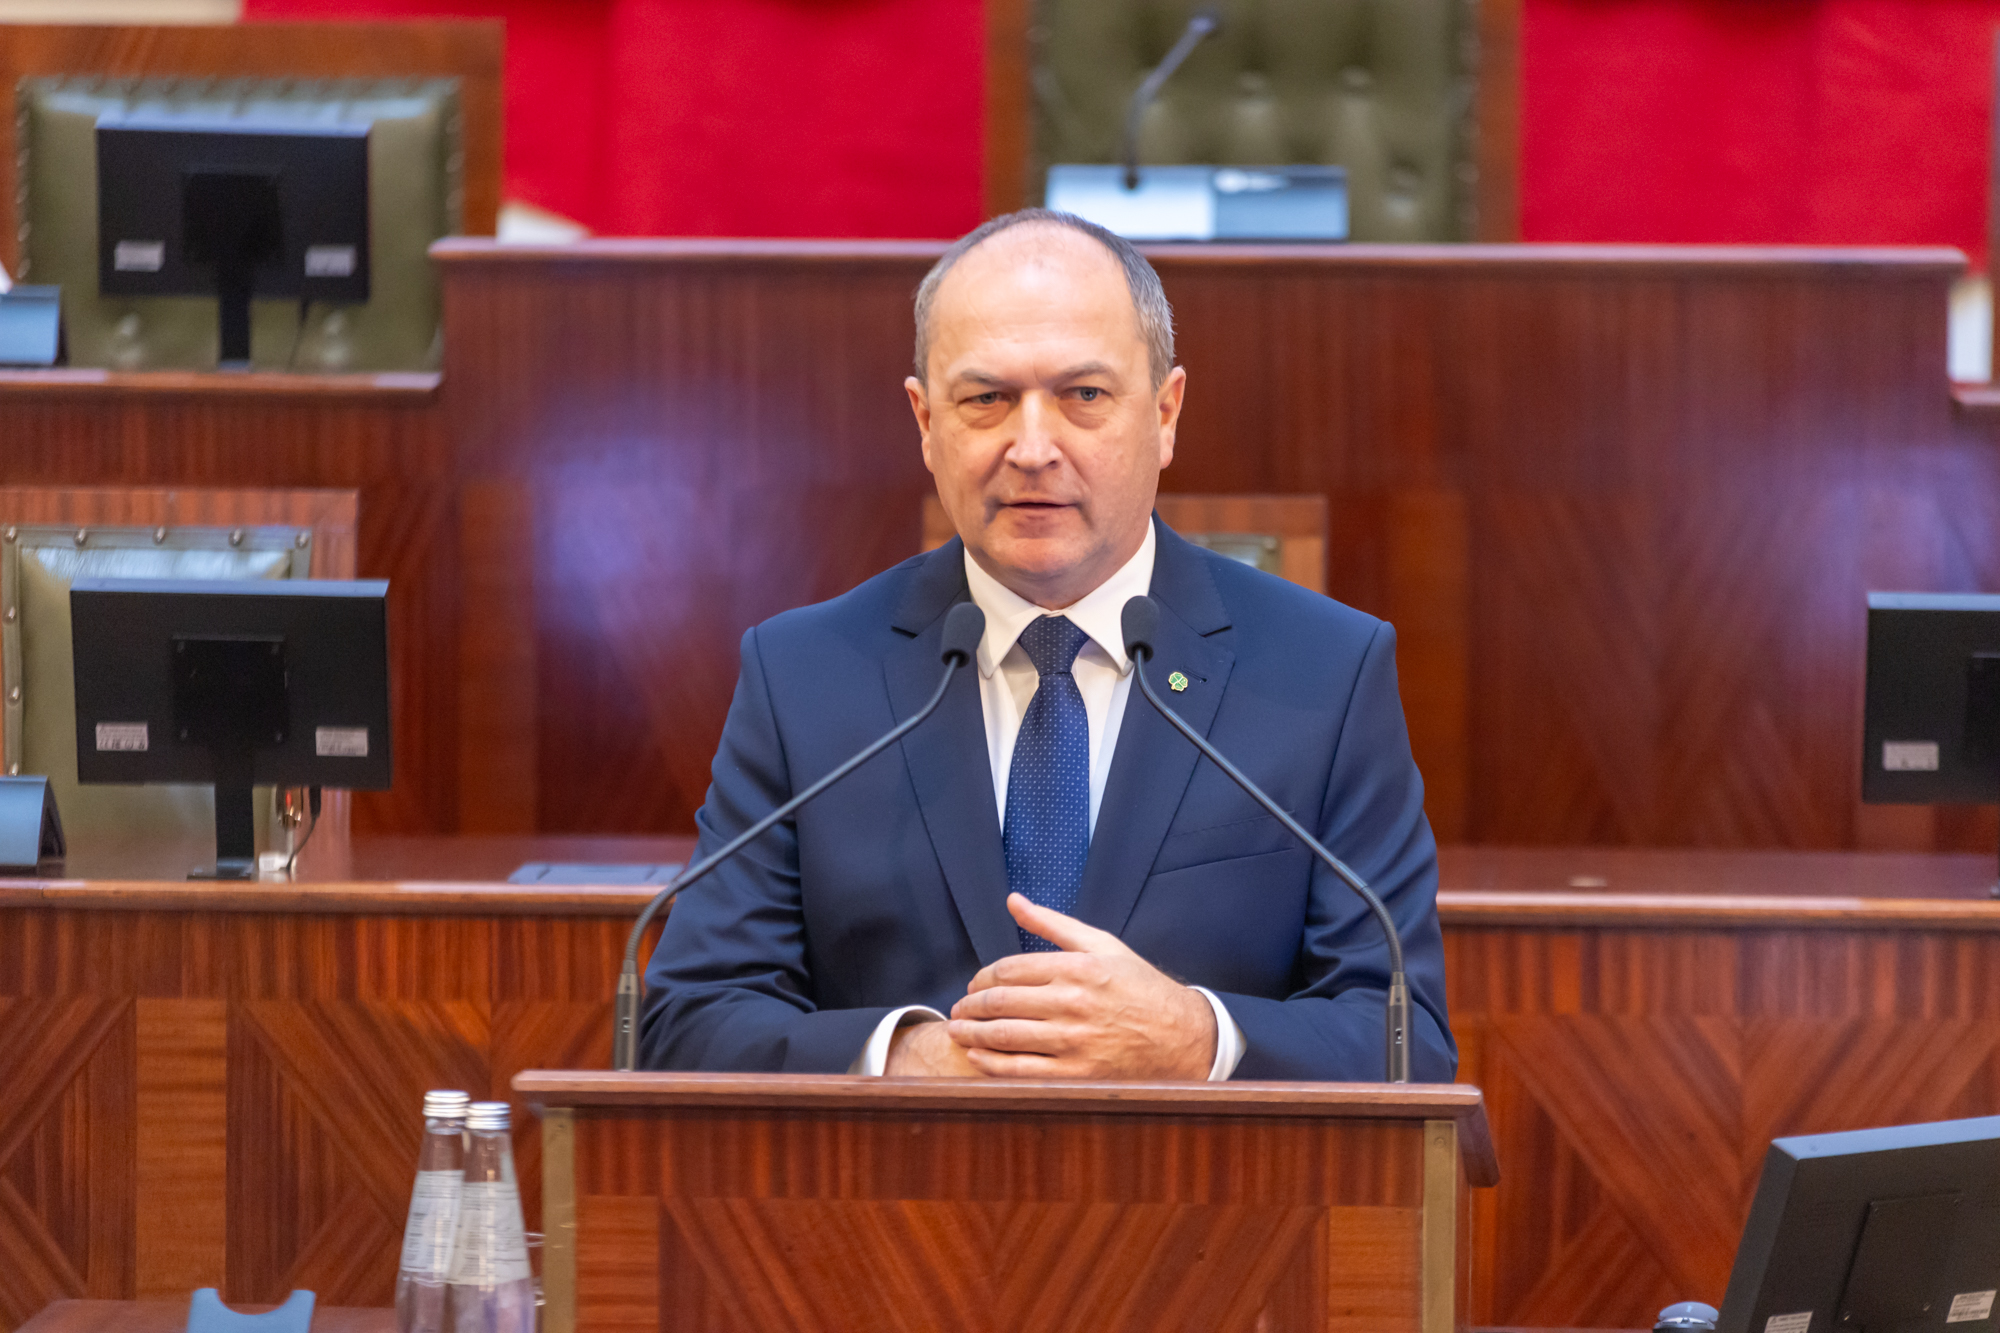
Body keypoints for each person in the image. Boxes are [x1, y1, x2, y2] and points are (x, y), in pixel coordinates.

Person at [638, 209, 1454, 1081]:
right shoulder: (804, 677)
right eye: (986, 399)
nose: (1032, 448)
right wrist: (911, 1061)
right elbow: (689, 1022)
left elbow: (1404, 1039)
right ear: (925, 421)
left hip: (1204, 1172)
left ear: (1166, 413)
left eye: (1084, 396)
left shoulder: (1325, 673)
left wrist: (1194, 1039)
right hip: (895, 1173)